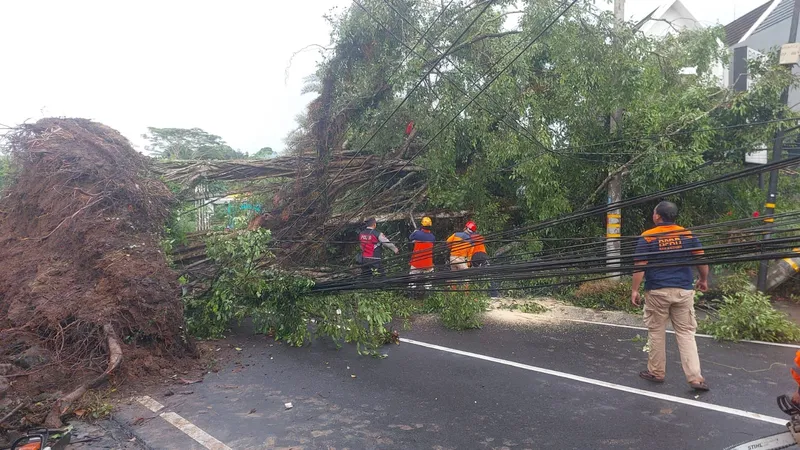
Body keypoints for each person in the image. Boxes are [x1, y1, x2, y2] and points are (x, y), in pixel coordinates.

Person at [631, 201, 709, 391]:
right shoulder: (687, 235)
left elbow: (640, 265)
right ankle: (695, 378)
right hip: (683, 291)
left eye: (654, 213)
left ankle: (656, 373)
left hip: (658, 291)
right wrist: (704, 279)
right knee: (686, 334)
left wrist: (634, 290)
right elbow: (701, 258)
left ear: (658, 217)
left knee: (656, 332)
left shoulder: (648, 237)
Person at [466, 222, 500, 298]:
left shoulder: (467, 237)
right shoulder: (479, 236)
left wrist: (468, 263)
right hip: (483, 255)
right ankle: (494, 294)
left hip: (475, 256)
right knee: (488, 274)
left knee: (474, 275)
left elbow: (470, 250)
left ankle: (475, 293)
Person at [408, 216, 436, 291]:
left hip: (416, 262)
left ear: (422, 225)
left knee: (412, 280)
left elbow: (410, 238)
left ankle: (412, 293)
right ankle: (428, 293)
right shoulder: (432, 237)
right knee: (428, 282)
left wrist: (415, 231)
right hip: (428, 263)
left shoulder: (417, 234)